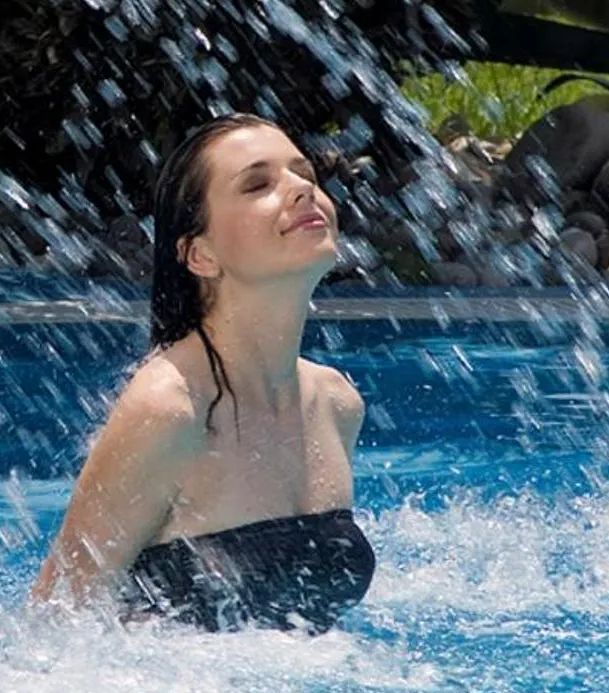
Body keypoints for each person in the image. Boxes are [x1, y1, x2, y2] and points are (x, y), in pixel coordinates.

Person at [31, 114, 374, 631]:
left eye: (305, 174)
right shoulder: (171, 410)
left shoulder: (334, 403)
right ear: (200, 255)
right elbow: (57, 615)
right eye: (258, 183)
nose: (302, 189)